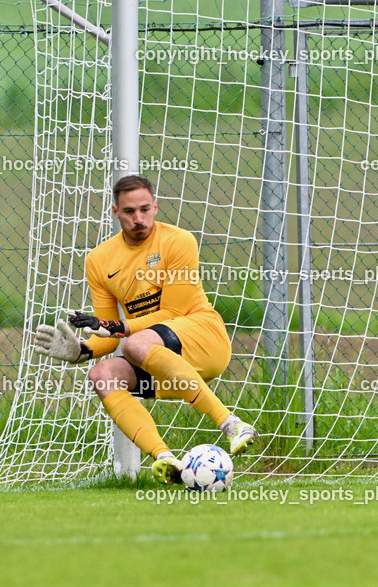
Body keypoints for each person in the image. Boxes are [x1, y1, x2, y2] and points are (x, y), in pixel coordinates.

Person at [35, 175, 257, 483]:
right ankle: (167, 461)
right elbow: (106, 336)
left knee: (134, 344)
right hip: (161, 360)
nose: (138, 219)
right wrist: (82, 350)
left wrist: (116, 327)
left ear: (155, 206)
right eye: (129, 212)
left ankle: (232, 424)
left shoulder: (179, 241)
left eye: (144, 209)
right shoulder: (99, 260)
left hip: (204, 338)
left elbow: (172, 312)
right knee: (102, 375)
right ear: (116, 212)